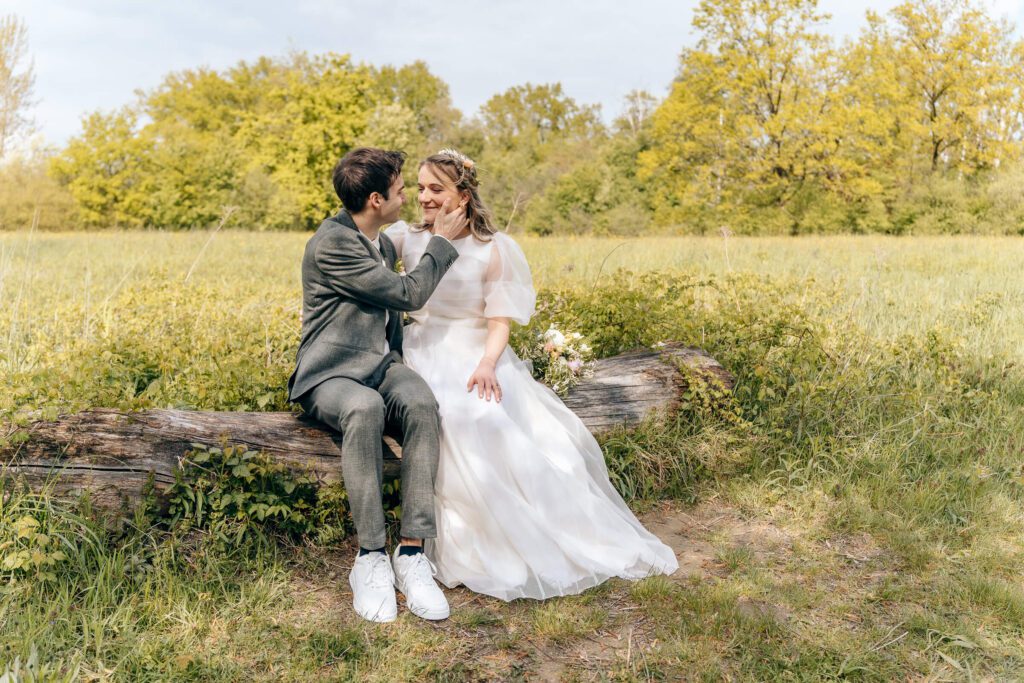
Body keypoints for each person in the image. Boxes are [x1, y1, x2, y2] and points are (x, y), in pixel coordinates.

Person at [385, 149, 679, 601]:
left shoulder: (494, 248)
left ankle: (522, 531)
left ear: (463, 195)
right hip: (422, 347)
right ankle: (440, 537)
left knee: (487, 419)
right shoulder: (406, 236)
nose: (423, 197)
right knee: (445, 418)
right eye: (420, 187)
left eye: (435, 189)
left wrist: (487, 362)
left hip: (476, 349)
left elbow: (499, 320)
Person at [288, 147, 469, 622]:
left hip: (379, 365)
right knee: (365, 408)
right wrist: (443, 243)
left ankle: (411, 553)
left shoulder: (381, 243)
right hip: (330, 373)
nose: (408, 194)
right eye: (401, 189)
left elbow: (390, 318)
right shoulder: (333, 244)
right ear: (375, 199)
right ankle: (369, 556)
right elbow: (408, 294)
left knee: (421, 402)